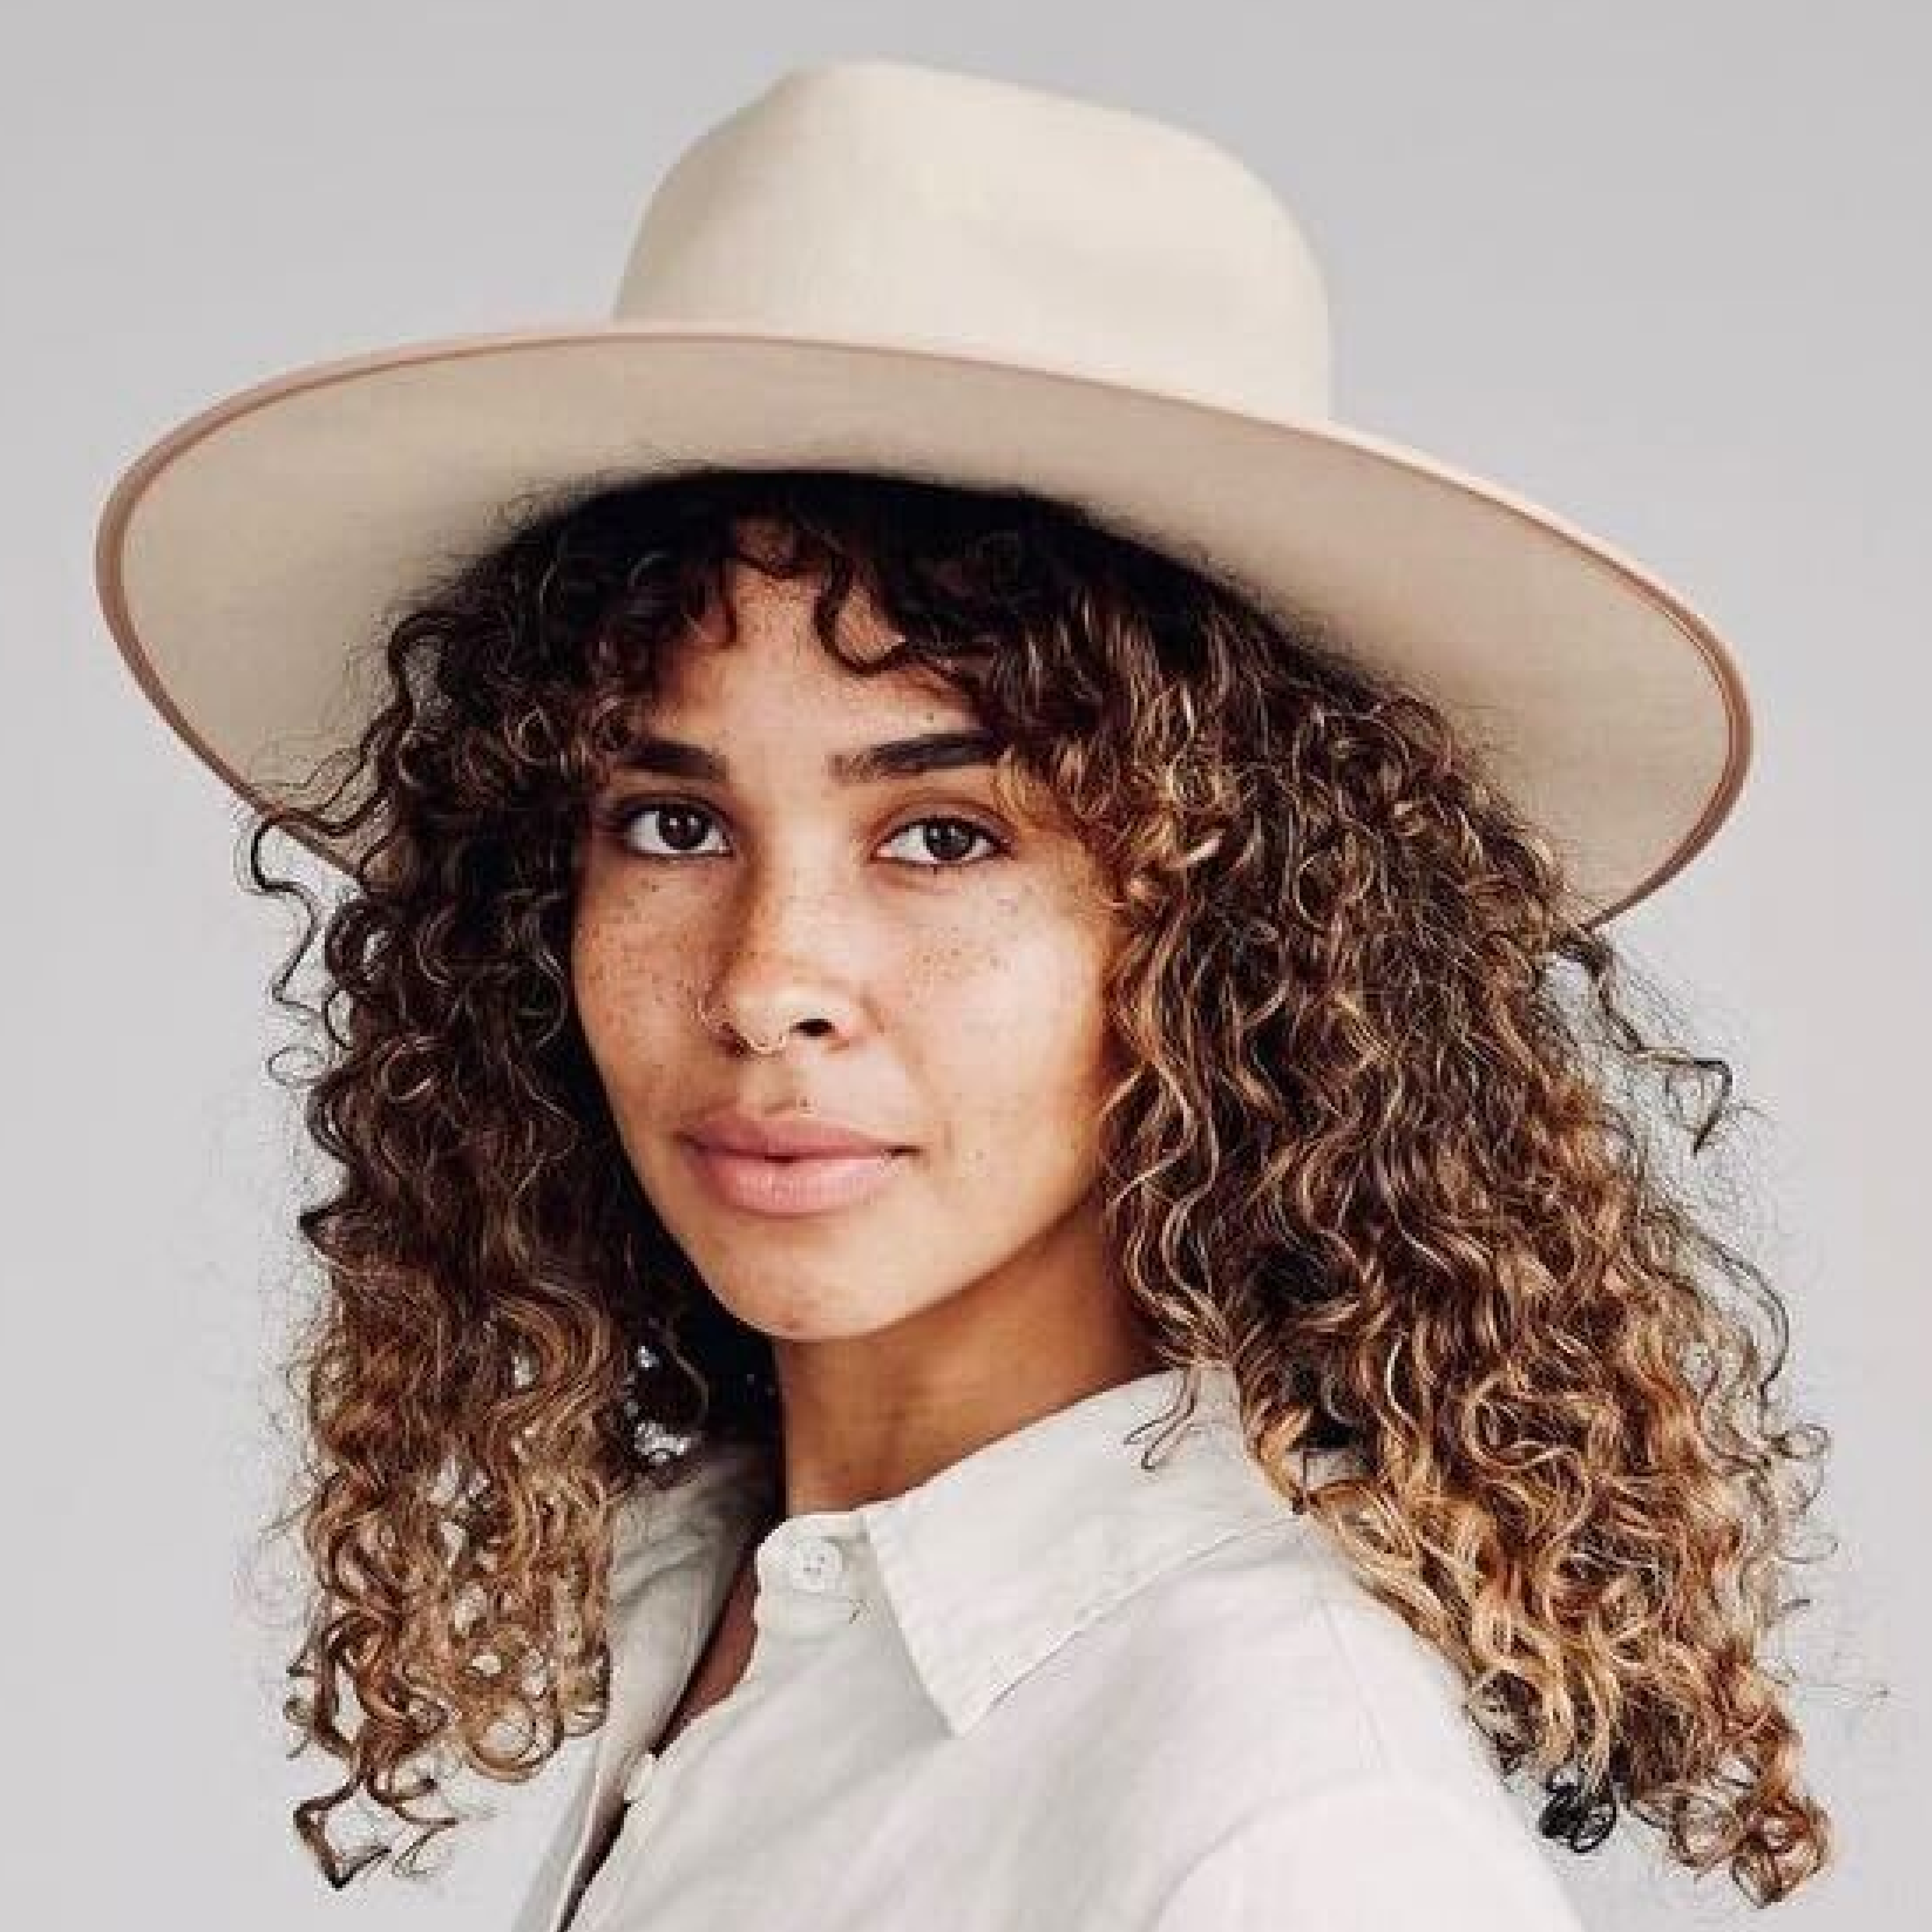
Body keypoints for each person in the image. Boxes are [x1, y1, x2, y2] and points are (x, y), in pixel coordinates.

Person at [91, 57, 1832, 1930]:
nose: (769, 983)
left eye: (944, 838)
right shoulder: (729, 1606)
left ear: (1229, 936)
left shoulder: (1280, 1823)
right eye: (673, 823)